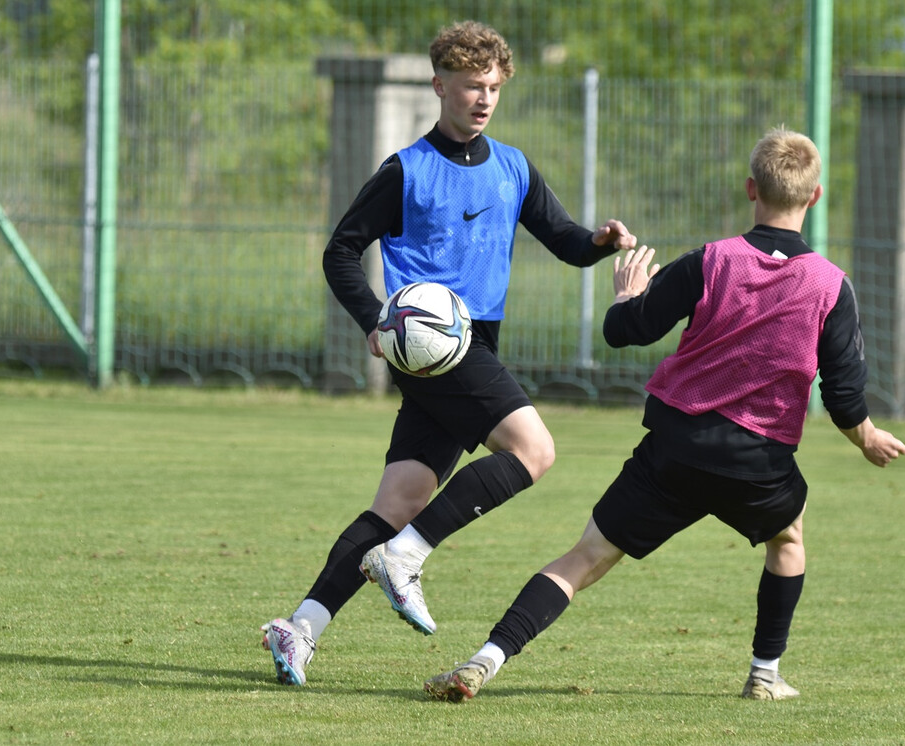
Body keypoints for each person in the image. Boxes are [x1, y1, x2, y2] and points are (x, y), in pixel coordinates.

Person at [423, 126, 905, 703]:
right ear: (816, 196)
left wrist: (628, 295)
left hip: (674, 448)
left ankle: (486, 658)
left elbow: (624, 331)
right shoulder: (831, 286)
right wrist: (868, 438)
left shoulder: (711, 261)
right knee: (788, 541)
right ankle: (764, 673)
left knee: (585, 558)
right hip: (757, 461)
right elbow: (845, 396)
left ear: (751, 188)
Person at [260, 20, 637, 686]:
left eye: (493, 87)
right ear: (440, 85)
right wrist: (375, 321)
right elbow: (341, 251)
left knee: (400, 497)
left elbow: (566, 242)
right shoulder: (406, 170)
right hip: (435, 347)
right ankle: (404, 558)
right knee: (535, 451)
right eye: (470, 86)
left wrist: (602, 241)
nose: (483, 98)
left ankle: (302, 626)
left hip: (476, 343)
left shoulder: (513, 166)